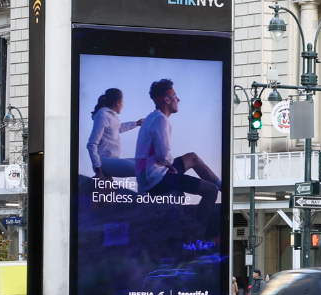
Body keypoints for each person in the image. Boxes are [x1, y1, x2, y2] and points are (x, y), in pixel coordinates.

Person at [135, 79, 222, 219]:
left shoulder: (152, 117)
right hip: (157, 180)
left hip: (150, 176)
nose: (178, 99)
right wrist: (169, 164)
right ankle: (199, 228)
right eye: (175, 96)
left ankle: (222, 185)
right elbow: (163, 156)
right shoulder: (160, 120)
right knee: (211, 191)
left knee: (192, 157)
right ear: (167, 100)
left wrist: (168, 164)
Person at [86, 88, 145, 179]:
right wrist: (98, 169)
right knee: (142, 169)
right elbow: (92, 144)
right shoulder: (103, 115)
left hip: (113, 160)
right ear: (118, 103)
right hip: (104, 162)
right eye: (123, 102)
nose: (123, 105)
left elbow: (117, 128)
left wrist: (136, 123)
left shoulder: (111, 116)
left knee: (147, 163)